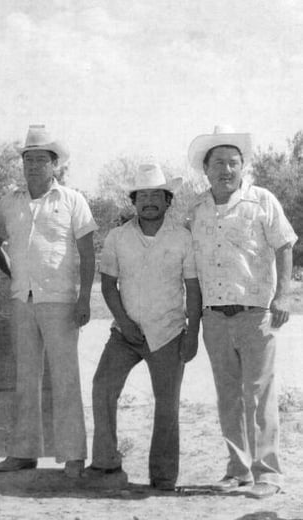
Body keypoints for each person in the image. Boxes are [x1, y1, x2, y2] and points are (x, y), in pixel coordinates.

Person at [187, 126, 297, 499]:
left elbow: (284, 245)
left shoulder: (262, 200)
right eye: (218, 163)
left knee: (259, 394)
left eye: (233, 163)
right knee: (228, 395)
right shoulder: (196, 209)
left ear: (242, 167)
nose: (227, 170)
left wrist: (283, 295)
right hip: (214, 316)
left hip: (255, 313)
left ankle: (268, 473)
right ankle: (238, 470)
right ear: (205, 168)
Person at [87, 164, 201, 491]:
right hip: (125, 334)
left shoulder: (182, 237)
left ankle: (163, 478)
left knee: (167, 405)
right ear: (133, 201)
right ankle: (106, 463)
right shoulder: (117, 237)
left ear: (168, 200)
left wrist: (192, 335)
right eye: (142, 195)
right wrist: (124, 323)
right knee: (102, 388)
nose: (149, 201)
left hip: (168, 333)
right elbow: (109, 285)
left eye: (156, 195)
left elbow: (192, 289)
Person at [0, 125, 97, 478]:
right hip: (22, 300)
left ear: (55, 165)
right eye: (28, 159)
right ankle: (24, 452)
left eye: (41, 159)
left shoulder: (72, 200)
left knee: (66, 378)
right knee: (26, 379)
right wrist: (13, 275)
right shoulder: (8, 203)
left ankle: (72, 455)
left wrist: (84, 298)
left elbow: (86, 251)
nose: (34, 165)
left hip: (61, 301)